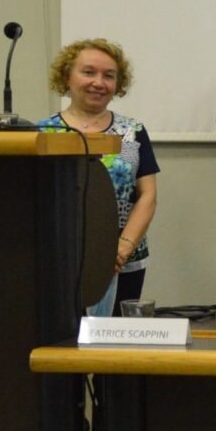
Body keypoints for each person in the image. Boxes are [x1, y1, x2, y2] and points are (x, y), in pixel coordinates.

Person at [37, 39, 159, 317]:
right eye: (88, 72)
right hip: (62, 262)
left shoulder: (133, 132)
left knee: (116, 338)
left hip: (123, 261)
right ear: (67, 77)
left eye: (109, 75)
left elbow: (148, 196)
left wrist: (122, 248)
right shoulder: (43, 134)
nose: (99, 82)